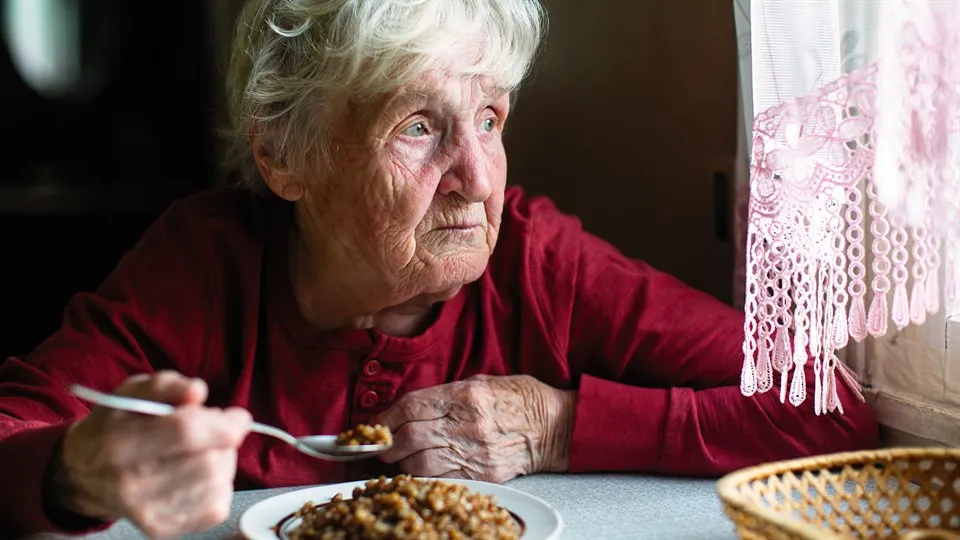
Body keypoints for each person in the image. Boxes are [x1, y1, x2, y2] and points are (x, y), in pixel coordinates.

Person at [0, 0, 879, 537]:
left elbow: (824, 407)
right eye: (419, 126)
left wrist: (556, 426)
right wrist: (76, 472)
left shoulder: (539, 262)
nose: (478, 177)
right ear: (284, 154)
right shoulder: (205, 265)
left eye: (489, 119)